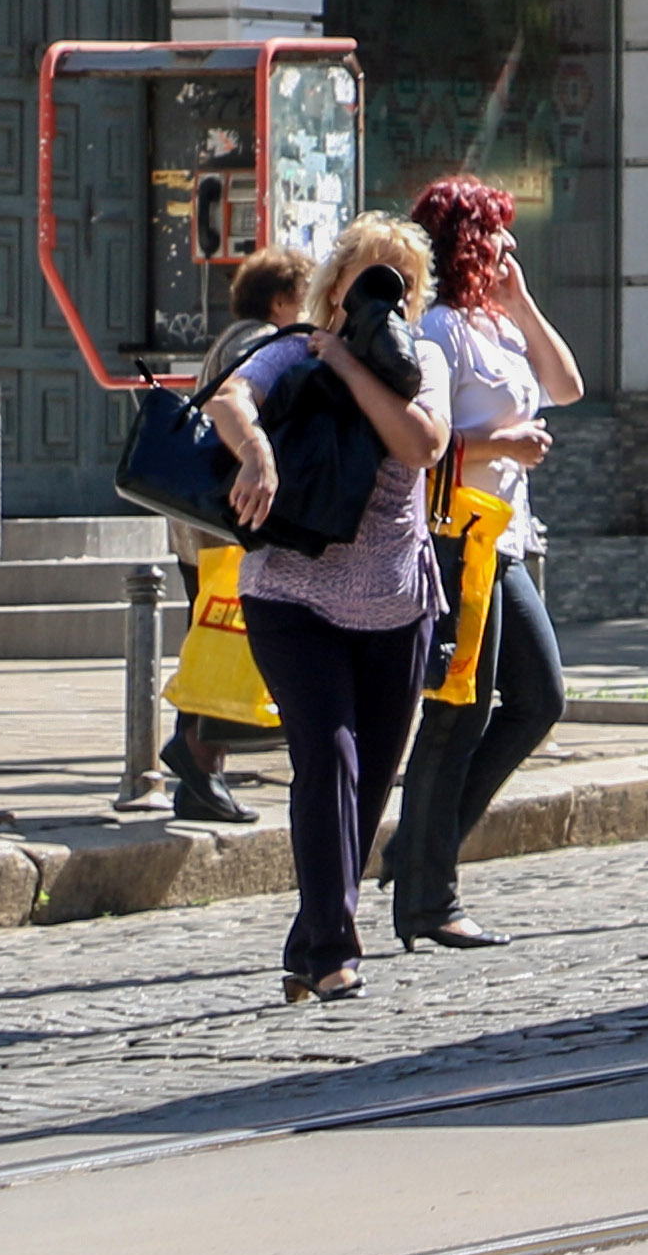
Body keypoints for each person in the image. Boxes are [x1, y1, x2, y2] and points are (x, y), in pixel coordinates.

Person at [210, 213, 453, 1003]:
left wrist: (356, 366)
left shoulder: (426, 363)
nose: (387, 297)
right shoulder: (291, 350)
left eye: (402, 284)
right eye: (368, 281)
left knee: (372, 780)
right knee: (330, 758)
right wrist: (256, 449)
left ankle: (308, 935)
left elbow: (422, 446)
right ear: (334, 288)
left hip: (395, 602)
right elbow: (228, 397)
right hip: (293, 594)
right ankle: (331, 951)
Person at [382, 176, 579, 952]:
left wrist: (521, 299)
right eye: (498, 231)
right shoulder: (433, 330)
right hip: (457, 541)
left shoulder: (494, 325)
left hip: (507, 541)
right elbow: (417, 448)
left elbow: (566, 385)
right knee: (455, 717)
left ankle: (418, 850)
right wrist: (501, 446)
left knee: (541, 699)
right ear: (467, 240)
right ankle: (430, 899)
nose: (509, 244)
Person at [159, 244, 315, 826]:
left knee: (213, 637)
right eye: (306, 295)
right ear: (281, 299)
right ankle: (200, 757)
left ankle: (197, 759)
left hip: (208, 526)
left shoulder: (238, 338)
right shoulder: (257, 342)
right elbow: (243, 416)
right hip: (225, 525)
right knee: (224, 641)